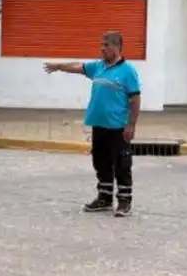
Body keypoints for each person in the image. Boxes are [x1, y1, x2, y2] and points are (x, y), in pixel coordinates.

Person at [44, 31, 141, 217]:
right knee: (101, 162)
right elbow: (77, 67)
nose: (102, 48)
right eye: (101, 45)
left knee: (121, 164)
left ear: (116, 47)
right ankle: (104, 198)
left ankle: (124, 201)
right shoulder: (98, 67)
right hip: (99, 125)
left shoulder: (128, 71)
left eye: (105, 45)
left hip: (118, 127)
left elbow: (135, 99)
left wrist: (131, 124)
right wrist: (58, 66)